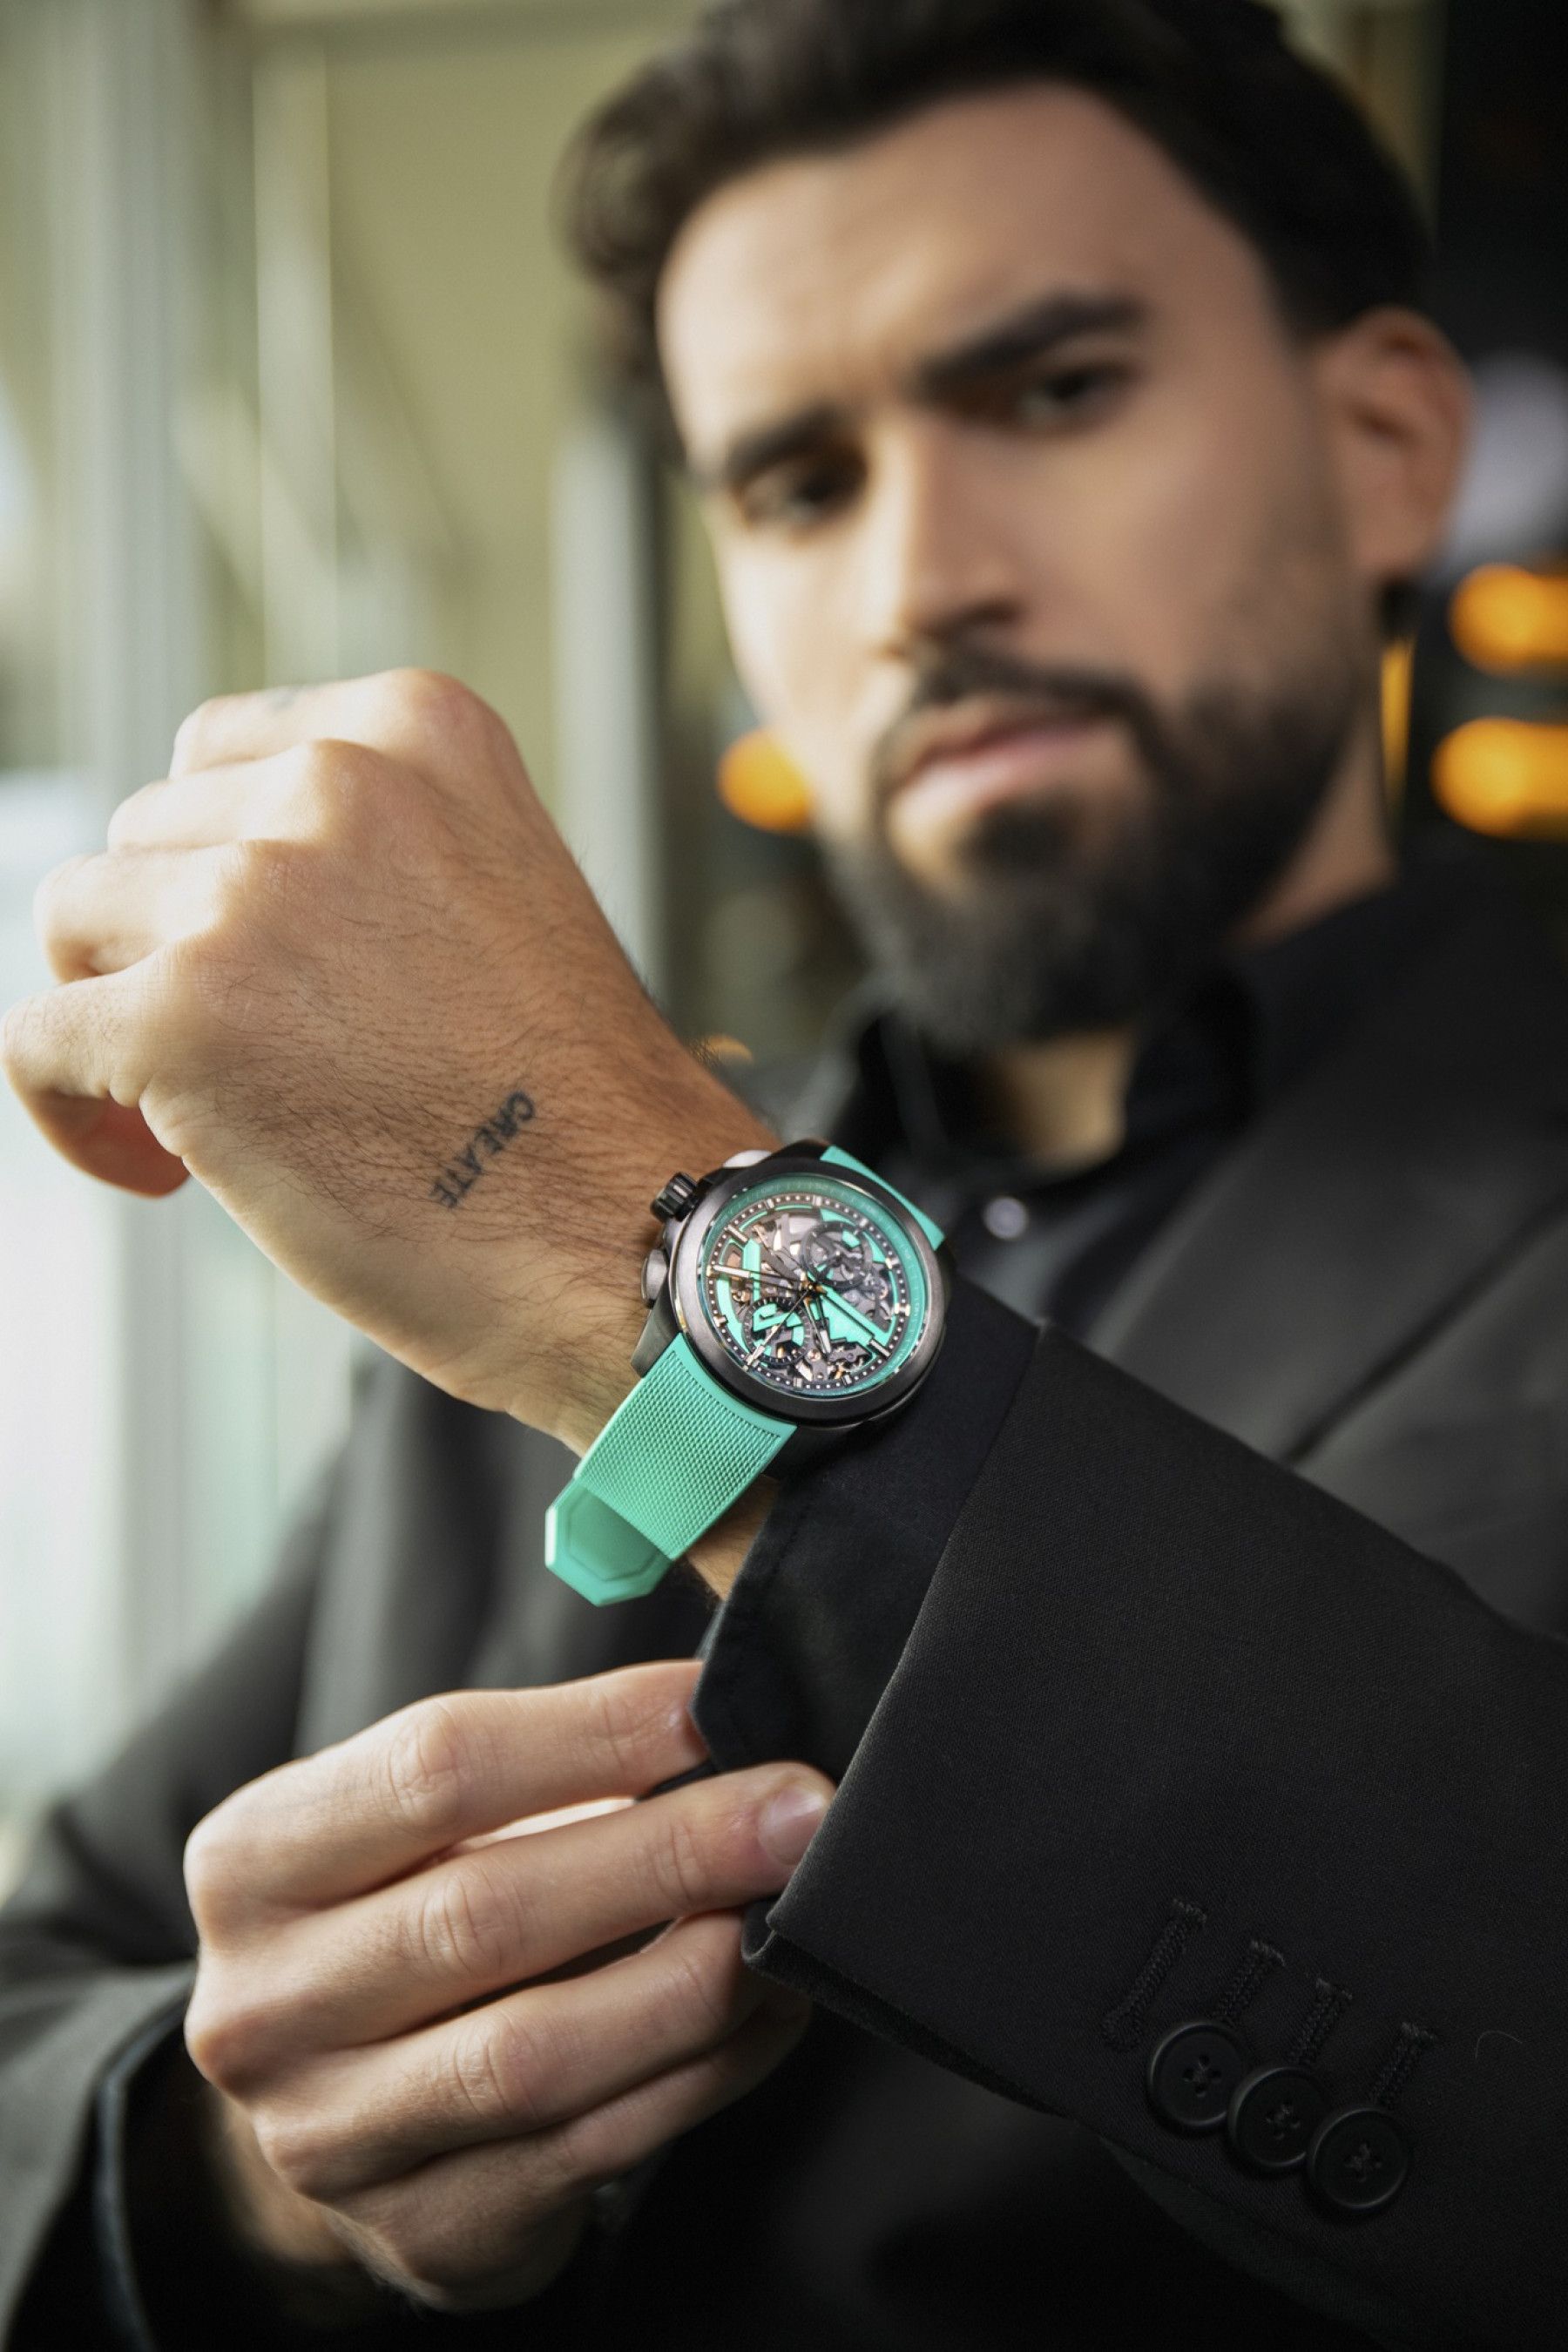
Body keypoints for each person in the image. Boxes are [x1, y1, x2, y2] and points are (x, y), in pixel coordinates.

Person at [3, 1, 1568, 2343]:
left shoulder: (564, 1208)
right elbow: (50, 1989)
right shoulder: (481, 1290)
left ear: (1385, 448)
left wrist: (640, 1234)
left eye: (1057, 391)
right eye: (798, 484)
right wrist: (250, 2173)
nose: (919, 575)